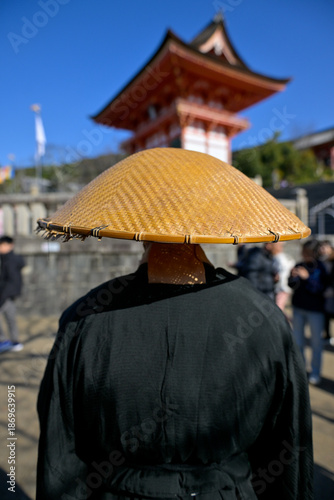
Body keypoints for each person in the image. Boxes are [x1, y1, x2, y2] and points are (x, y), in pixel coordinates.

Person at [36, 148, 313, 500]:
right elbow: (288, 442)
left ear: (142, 232)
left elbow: (61, 446)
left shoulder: (86, 317)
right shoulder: (263, 317)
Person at [288, 239, 327, 386]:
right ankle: (301, 371)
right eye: (303, 252)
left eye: (307, 252)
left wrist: (308, 278)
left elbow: (320, 289)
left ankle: (315, 372)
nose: (303, 255)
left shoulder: (320, 268)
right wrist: (292, 277)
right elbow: (291, 285)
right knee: (298, 342)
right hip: (298, 308)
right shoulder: (299, 265)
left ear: (314, 253)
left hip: (316, 311)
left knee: (316, 343)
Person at [0, 235, 25, 353]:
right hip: (6, 294)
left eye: (3, 245)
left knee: (10, 318)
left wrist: (3, 296)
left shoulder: (10, 260)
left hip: (5, 295)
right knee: (10, 318)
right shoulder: (6, 259)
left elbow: (11, 281)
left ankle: (8, 341)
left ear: (10, 246)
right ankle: (12, 341)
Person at [271, 241, 295, 313]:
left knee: (278, 310)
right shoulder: (279, 257)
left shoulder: (280, 258)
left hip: (282, 288)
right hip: (281, 288)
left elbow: (284, 273)